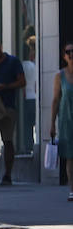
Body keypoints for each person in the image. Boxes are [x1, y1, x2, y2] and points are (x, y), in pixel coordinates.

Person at [0, 37, 25, 186]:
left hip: (7, 106)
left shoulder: (13, 62)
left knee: (7, 140)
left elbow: (22, 82)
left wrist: (5, 86)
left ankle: (7, 174)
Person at [50, 43, 73, 201]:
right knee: (70, 156)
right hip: (67, 120)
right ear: (64, 56)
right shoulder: (60, 76)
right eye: (68, 52)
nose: (71, 54)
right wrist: (52, 123)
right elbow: (56, 100)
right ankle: (72, 188)